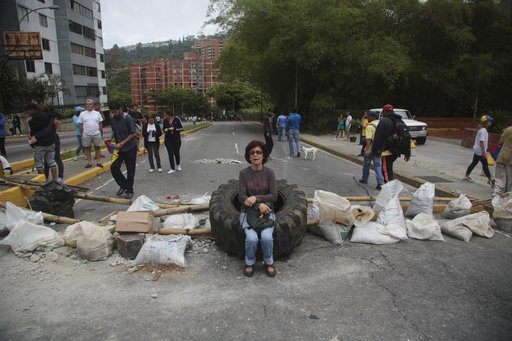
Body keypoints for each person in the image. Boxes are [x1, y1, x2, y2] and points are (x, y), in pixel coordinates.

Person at [239, 140, 278, 278]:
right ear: (249, 156)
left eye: (258, 152)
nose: (255, 155)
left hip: (266, 213)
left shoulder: (270, 173)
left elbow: (274, 196)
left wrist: (256, 198)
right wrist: (257, 204)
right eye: (252, 153)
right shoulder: (243, 173)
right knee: (252, 239)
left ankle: (269, 262)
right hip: (248, 213)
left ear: (263, 155)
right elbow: (241, 197)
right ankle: (249, 263)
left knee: (267, 238)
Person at [372, 104, 410, 183]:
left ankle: (389, 189)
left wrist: (375, 151)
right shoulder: (399, 120)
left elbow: (378, 137)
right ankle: (390, 186)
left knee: (386, 170)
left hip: (387, 150)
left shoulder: (384, 121)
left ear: (384, 111)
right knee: (389, 168)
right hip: (396, 150)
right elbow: (406, 136)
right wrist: (407, 152)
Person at [109, 101, 138, 199]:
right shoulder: (113, 119)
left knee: (130, 170)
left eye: (116, 112)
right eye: (112, 112)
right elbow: (114, 130)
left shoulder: (127, 118)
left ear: (120, 109)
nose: (114, 114)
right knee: (114, 167)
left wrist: (122, 143)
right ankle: (124, 185)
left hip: (130, 147)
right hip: (120, 149)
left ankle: (129, 190)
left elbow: (133, 134)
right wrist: (110, 139)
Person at [26, 103, 58, 182]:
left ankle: (44, 182)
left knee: (39, 164)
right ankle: (55, 180)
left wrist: (30, 140)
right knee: (52, 162)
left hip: (40, 144)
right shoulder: (48, 116)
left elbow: (32, 135)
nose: (27, 113)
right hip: (51, 142)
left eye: (28, 111)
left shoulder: (32, 121)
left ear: (32, 110)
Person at [463, 115, 495, 187]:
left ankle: (466, 176)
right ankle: (490, 180)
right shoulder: (483, 130)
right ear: (486, 122)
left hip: (477, 149)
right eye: (489, 121)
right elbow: (481, 141)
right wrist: (484, 151)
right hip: (480, 150)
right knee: (485, 165)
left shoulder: (480, 129)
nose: (491, 123)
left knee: (474, 163)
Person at [359, 111, 384, 190]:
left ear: (373, 117)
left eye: (369, 116)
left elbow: (368, 139)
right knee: (378, 165)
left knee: (366, 164)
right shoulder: (381, 124)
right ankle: (380, 182)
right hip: (379, 148)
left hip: (371, 148)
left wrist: (366, 150)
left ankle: (364, 179)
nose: (368, 118)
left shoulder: (370, 126)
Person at [79, 99, 104, 168]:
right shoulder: (82, 114)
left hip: (96, 133)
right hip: (86, 134)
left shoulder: (97, 113)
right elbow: (80, 124)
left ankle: (98, 162)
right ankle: (89, 163)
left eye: (90, 104)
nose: (88, 105)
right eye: (87, 104)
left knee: (98, 148)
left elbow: (100, 123)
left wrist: (100, 131)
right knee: (87, 149)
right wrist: (83, 132)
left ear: (92, 105)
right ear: (85, 105)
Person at [494, 125, 512, 195]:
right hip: (511, 160)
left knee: (500, 179)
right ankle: (507, 196)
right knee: (510, 181)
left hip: (502, 155)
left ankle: (496, 195)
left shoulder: (508, 129)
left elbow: (500, 142)